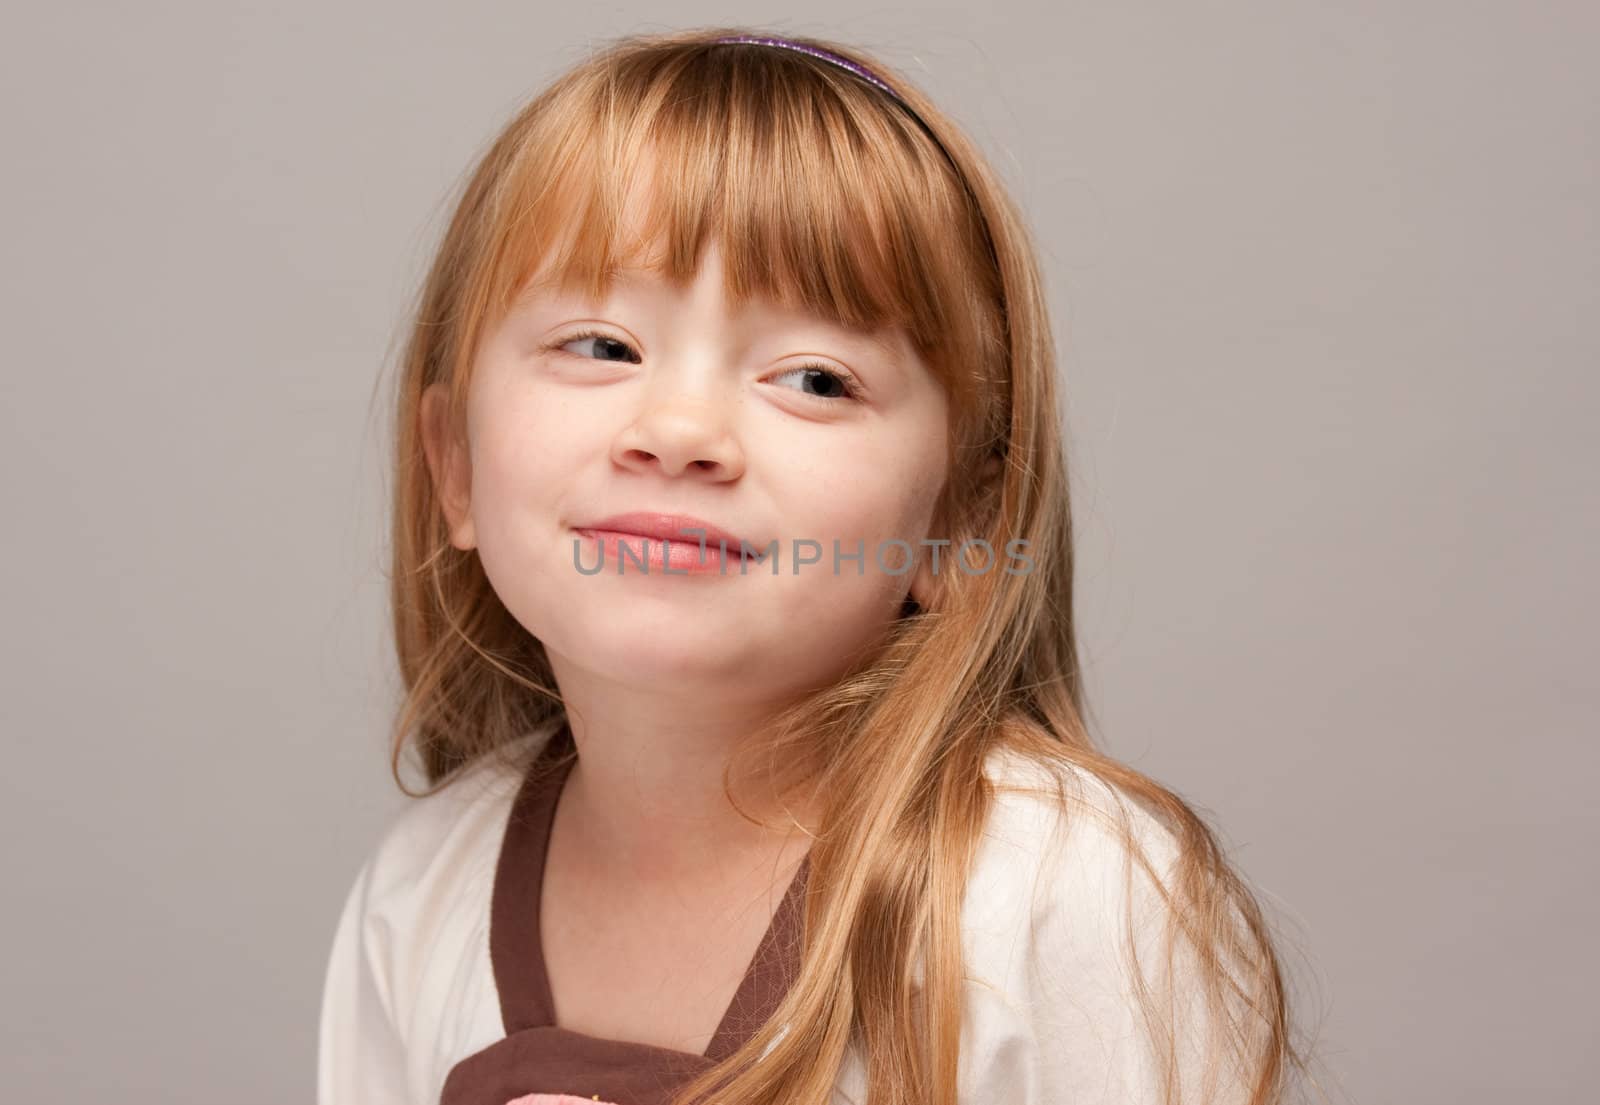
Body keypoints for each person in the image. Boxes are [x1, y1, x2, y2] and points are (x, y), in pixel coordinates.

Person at [316, 25, 1314, 1105]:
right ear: (454, 466)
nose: (680, 427)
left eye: (814, 379)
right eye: (601, 346)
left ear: (960, 526)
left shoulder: (1056, 897)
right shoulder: (421, 897)